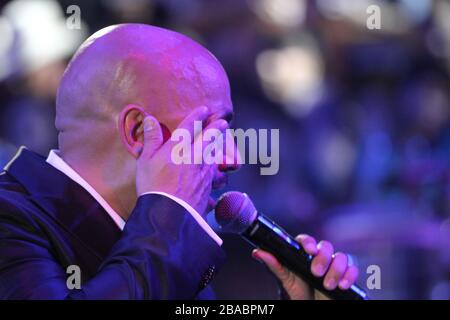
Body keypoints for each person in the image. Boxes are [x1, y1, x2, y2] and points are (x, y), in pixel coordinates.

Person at [0, 24, 358, 299]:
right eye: (211, 131)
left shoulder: (164, 240)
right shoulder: (9, 218)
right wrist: (170, 213)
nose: (233, 159)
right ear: (139, 131)